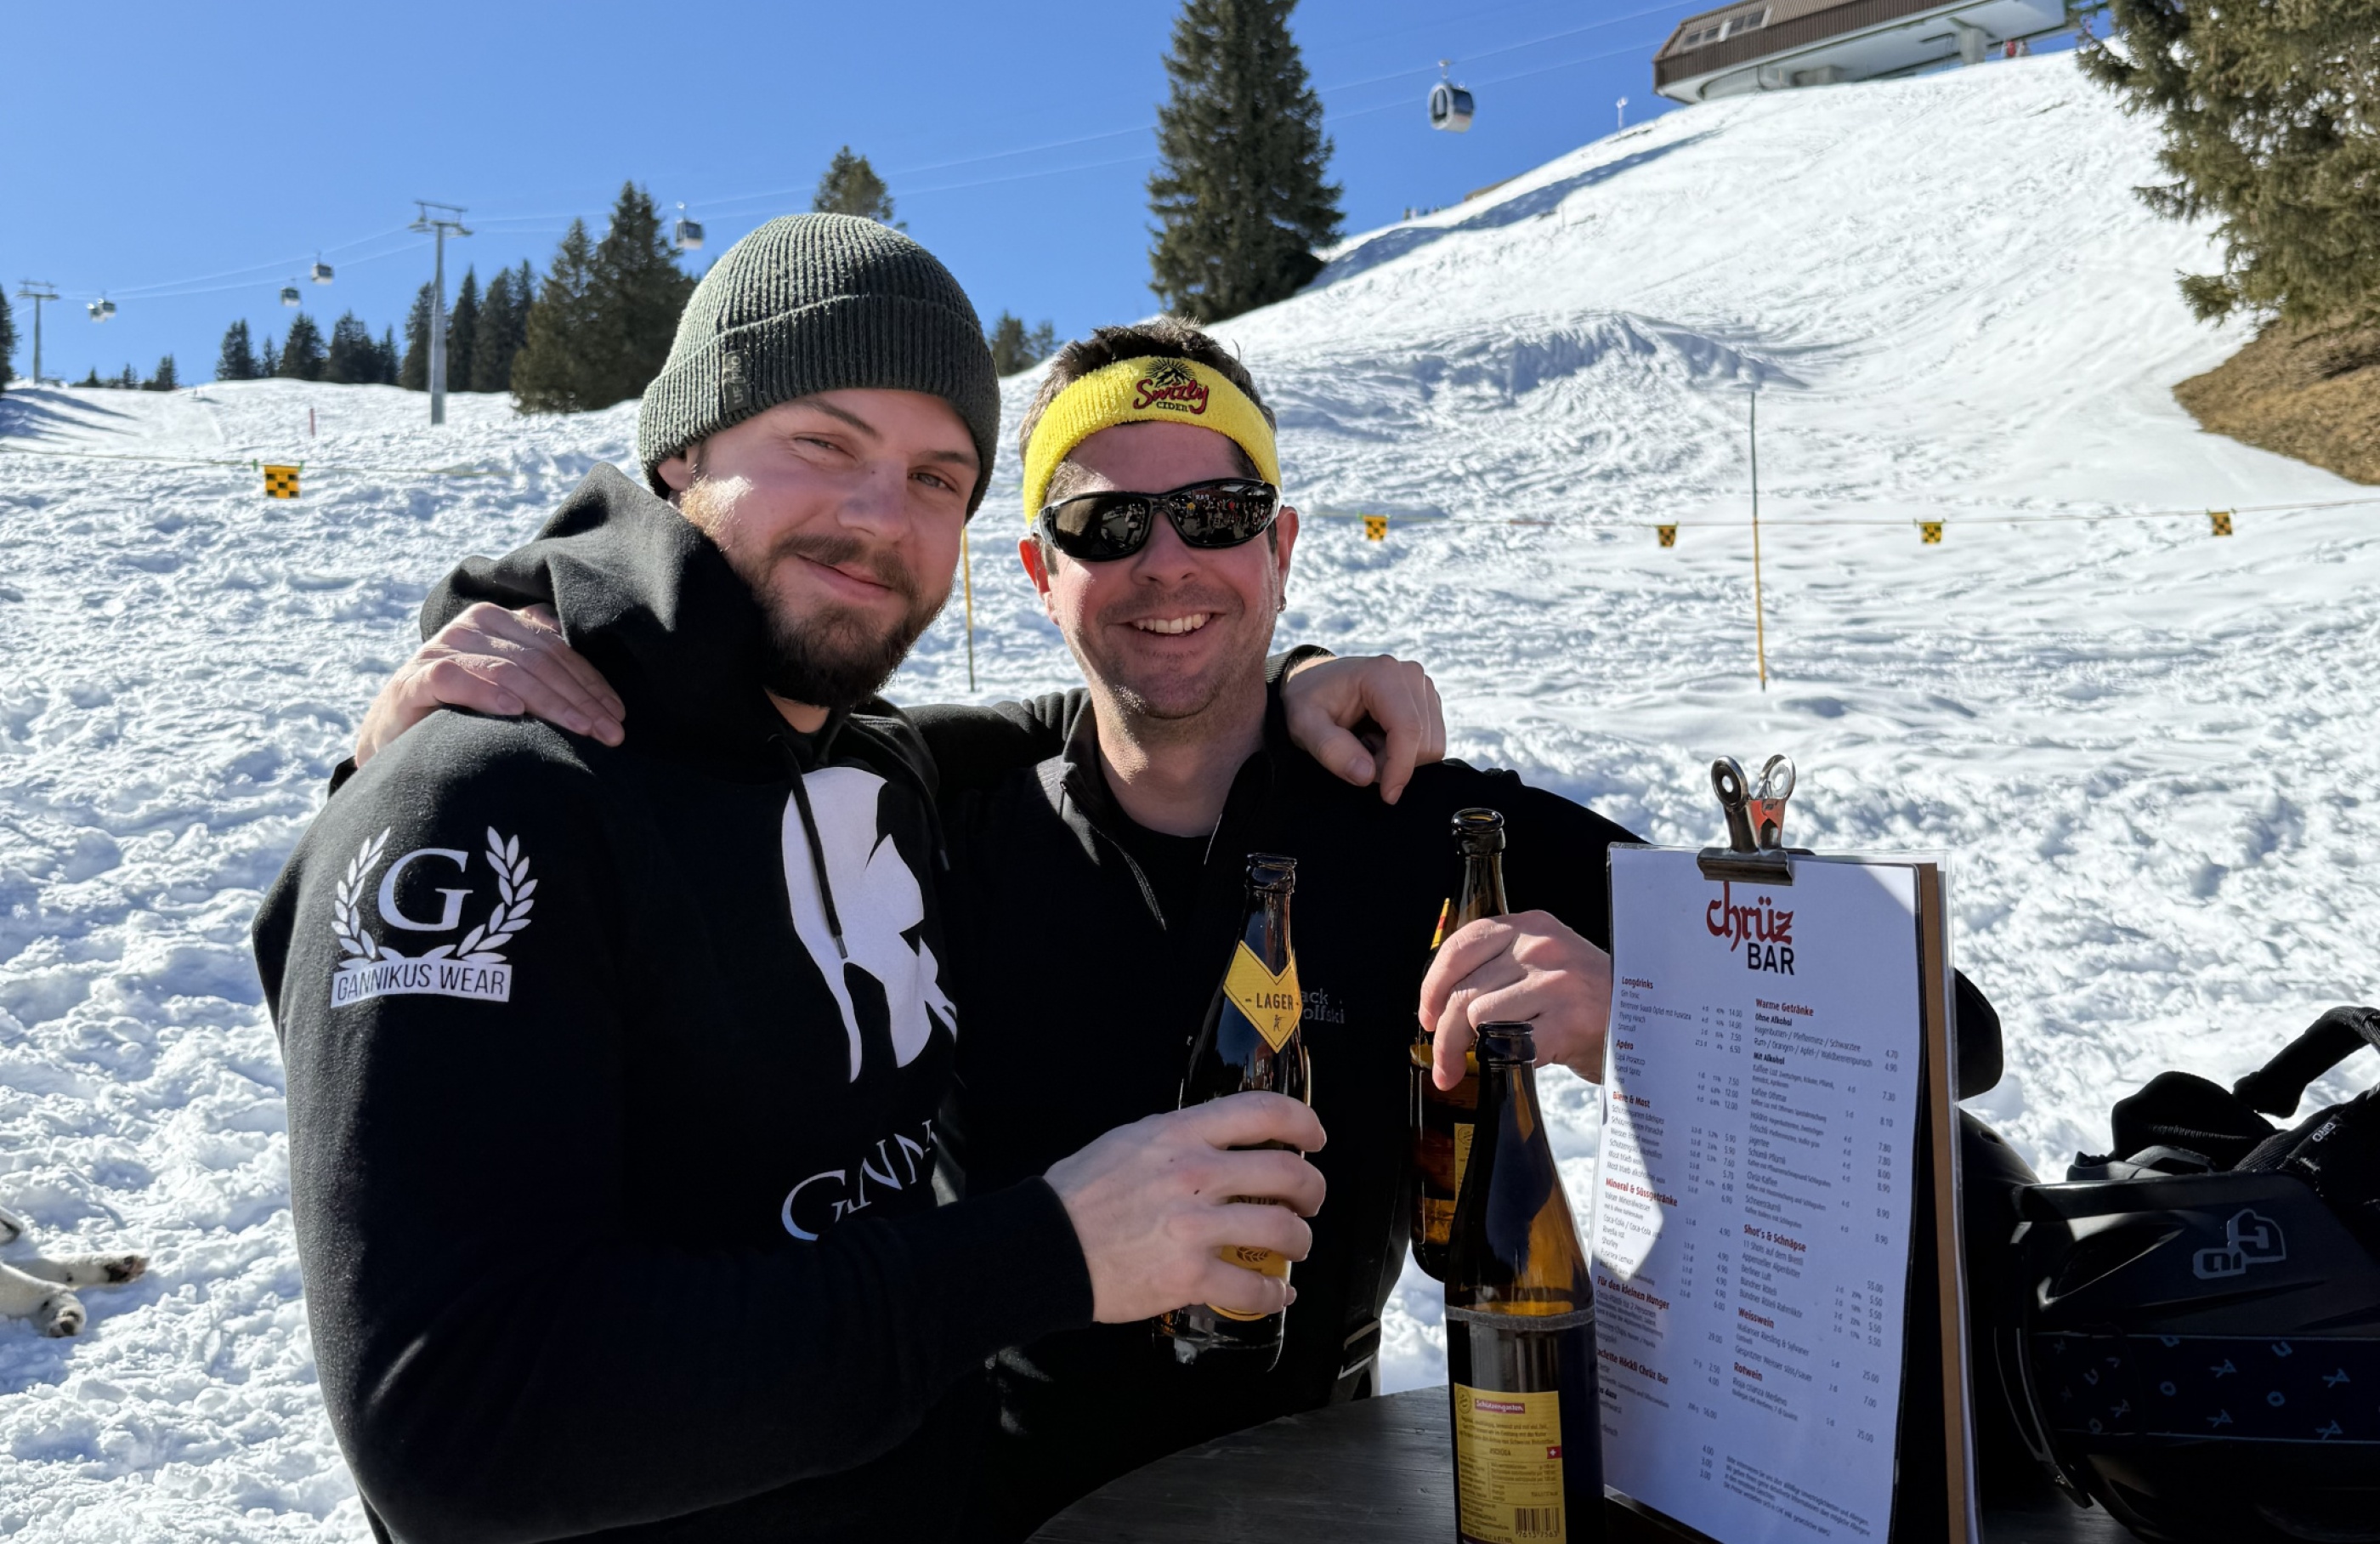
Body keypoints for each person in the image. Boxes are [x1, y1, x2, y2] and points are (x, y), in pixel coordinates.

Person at [252, 218, 1441, 1544]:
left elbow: (1114, 719)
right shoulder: (489, 798)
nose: (883, 518)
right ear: (684, 450)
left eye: (938, 478)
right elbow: (454, 1427)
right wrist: (1047, 1251)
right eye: (825, 444)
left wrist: (1288, 678)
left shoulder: (872, 762)